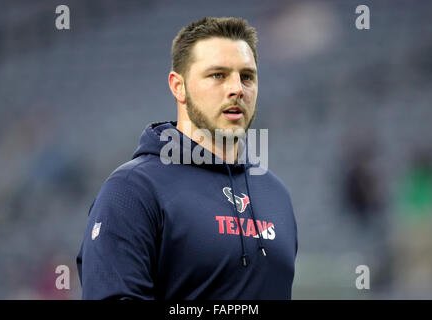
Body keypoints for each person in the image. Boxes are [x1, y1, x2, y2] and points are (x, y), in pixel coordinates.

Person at [76, 17, 298, 300]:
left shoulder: (276, 195)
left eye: (247, 76)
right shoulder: (132, 191)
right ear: (178, 86)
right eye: (218, 75)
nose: (237, 89)